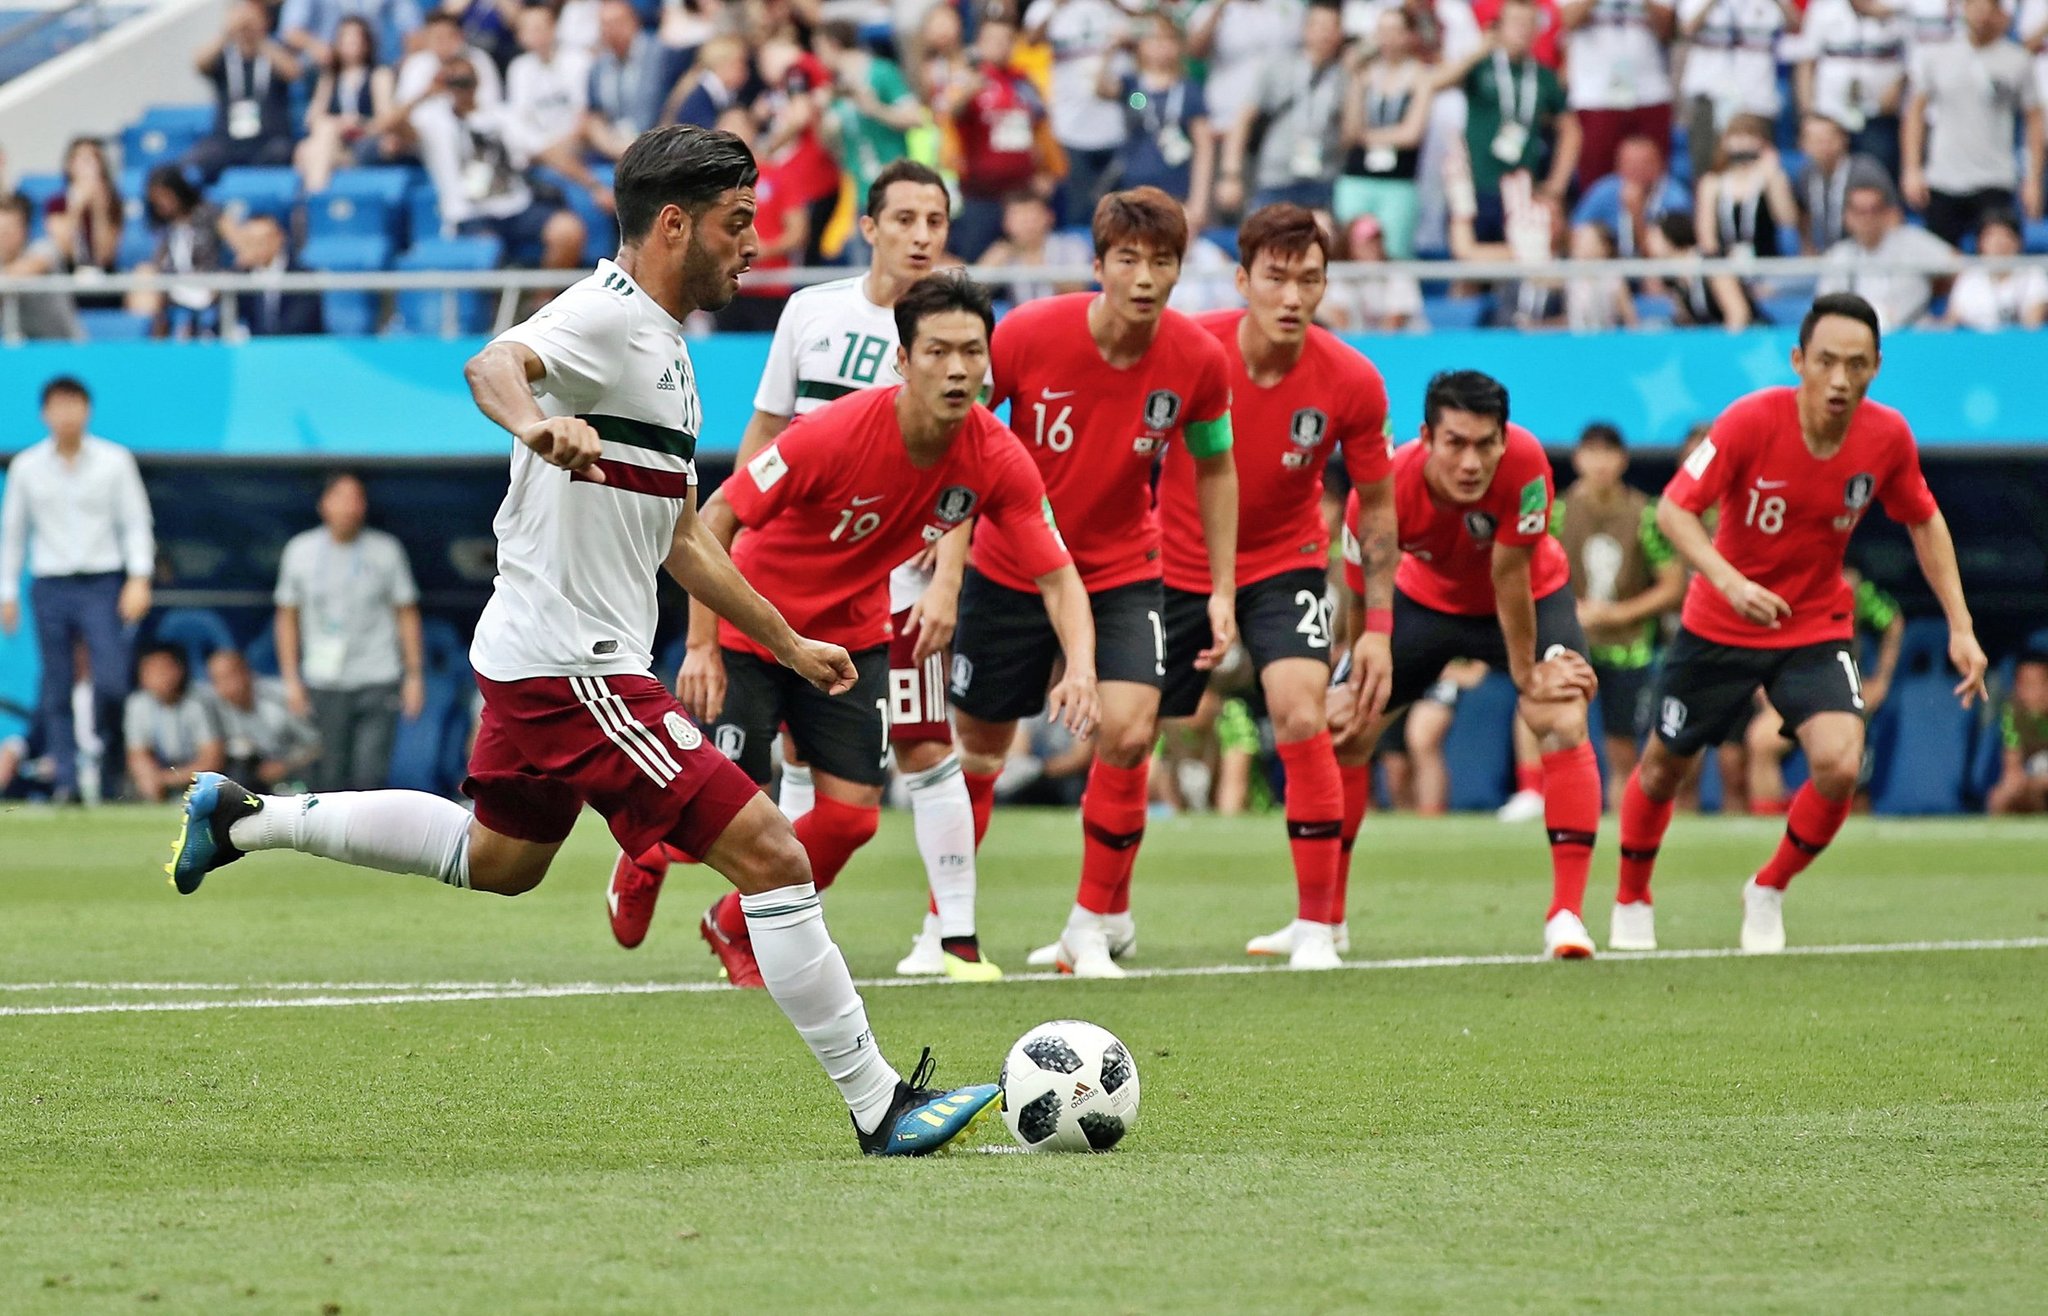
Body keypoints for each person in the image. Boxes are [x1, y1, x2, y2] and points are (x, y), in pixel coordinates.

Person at [165, 124, 1002, 1160]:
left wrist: (786, 643)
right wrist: (531, 424)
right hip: (578, 664)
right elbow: (492, 363)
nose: (751, 243)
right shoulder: (604, 317)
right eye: (737, 223)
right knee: (776, 857)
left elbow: (684, 539)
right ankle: (880, 1105)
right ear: (672, 225)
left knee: (502, 857)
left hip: (540, 652)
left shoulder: (665, 348)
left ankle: (246, 818)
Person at [638, 273, 1100, 985]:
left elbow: (1059, 575)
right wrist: (701, 643)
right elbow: (716, 518)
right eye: (938, 351)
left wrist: (1080, 668)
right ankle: (646, 851)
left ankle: (730, 922)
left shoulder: (997, 454)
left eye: (972, 353)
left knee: (853, 818)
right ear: (902, 361)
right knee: (732, 814)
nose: (956, 369)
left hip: (850, 639)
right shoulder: (833, 432)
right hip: (755, 627)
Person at [608, 161, 974, 974]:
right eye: (905, 219)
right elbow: (764, 438)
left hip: (879, 589)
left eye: (936, 222)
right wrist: (709, 603)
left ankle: (743, 923)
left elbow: (970, 465)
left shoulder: (955, 335)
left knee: (867, 796)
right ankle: (651, 855)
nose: (921, 236)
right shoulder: (815, 312)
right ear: (869, 227)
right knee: (736, 796)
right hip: (773, 572)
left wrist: (946, 575)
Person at [1614, 293, 1988, 954]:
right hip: (1717, 625)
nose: (1840, 380)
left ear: (1876, 366)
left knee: (1840, 764)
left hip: (1813, 626)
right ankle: (1632, 896)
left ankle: (1769, 887)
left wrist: (1960, 623)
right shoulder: (1749, 421)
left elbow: (1924, 519)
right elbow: (1676, 512)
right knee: (1661, 769)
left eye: (1857, 364)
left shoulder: (1887, 437)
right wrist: (1728, 580)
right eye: (1826, 362)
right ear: (1799, 361)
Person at [950, 186, 1239, 979]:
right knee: (979, 749)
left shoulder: (1199, 361)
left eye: (1162, 262)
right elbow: (963, 437)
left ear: (1181, 270)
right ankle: (949, 926)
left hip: (1121, 568)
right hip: (1010, 565)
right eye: (1128, 260)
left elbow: (1214, 468)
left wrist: (1220, 586)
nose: (1145, 277)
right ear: (1099, 263)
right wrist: (944, 561)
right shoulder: (1027, 333)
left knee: (1133, 728)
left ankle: (1090, 924)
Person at [1154, 204, 1396, 970]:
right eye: (1277, 278)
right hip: (1176, 561)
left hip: (1283, 563)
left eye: (1310, 280)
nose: (1293, 297)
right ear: (1243, 280)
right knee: (1129, 729)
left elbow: (1378, 508)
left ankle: (1318, 926)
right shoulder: (1191, 350)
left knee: (1300, 711)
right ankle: (1099, 920)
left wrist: (1379, 627)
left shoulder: (1352, 379)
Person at [1326, 370, 1604, 958]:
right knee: (1345, 723)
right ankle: (1325, 920)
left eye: (1485, 443)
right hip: (1422, 603)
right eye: (1456, 442)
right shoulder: (1381, 489)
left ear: (1505, 439)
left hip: (1530, 596)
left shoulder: (1528, 465)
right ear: (1426, 436)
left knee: (1563, 714)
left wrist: (1529, 674)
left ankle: (1567, 917)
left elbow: (1511, 575)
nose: (1472, 461)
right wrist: (1357, 665)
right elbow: (1359, 587)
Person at [0, 377, 154, 804]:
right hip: (49, 583)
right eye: (58, 406)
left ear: (87, 410)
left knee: (111, 682)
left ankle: (109, 769)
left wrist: (139, 577)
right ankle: (66, 780)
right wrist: (7, 590)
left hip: (102, 582)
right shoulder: (27, 466)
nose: (66, 414)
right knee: (57, 683)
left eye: (74, 405)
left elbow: (136, 521)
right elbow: (13, 533)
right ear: (43, 414)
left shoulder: (114, 460)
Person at [1551, 423, 1684, 799]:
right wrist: (1567, 609)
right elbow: (1530, 574)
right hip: (1570, 646)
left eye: (1609, 453)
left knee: (1622, 748)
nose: (1600, 463)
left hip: (1630, 649)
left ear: (1623, 460)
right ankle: (1544, 804)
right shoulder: (1556, 513)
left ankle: (1623, 831)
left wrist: (1618, 614)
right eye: (1592, 453)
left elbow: (1674, 586)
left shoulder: (1646, 515)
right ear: (1577, 459)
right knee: (1551, 728)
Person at [273, 473, 425, 792]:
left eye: (357, 499)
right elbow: (286, 617)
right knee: (329, 775)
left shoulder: (386, 550)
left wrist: (414, 676)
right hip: (324, 677)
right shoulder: (300, 550)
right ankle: (330, 843)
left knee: (370, 774)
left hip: (378, 674)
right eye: (341, 498)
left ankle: (368, 842)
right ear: (323, 504)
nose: (349, 507)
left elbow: (406, 613)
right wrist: (291, 680)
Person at [1736, 565, 1903, 814]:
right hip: (1793, 684)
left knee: (1844, 765)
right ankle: (1772, 827)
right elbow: (1758, 631)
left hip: (1839, 688)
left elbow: (1893, 622)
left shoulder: (1854, 588)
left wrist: (1881, 680)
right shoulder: (1786, 587)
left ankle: (1848, 832)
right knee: (1761, 740)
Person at [410, 56, 589, 269]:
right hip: (470, 214)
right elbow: (384, 127)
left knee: (568, 231)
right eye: (453, 81)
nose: (461, 88)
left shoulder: (502, 116)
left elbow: (547, 152)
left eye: (466, 80)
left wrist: (593, 185)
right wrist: (424, 93)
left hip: (516, 206)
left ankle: (542, 299)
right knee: (486, 251)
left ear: (477, 82)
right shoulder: (432, 122)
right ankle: (496, 303)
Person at [1901, 0, 2045, 247]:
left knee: (1997, 257)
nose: (1981, 16)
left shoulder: (2017, 60)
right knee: (1939, 264)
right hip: (1944, 178)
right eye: (1975, 7)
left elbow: (2033, 120)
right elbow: (1915, 113)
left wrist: (2033, 179)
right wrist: (1912, 168)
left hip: (1995, 177)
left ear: (1999, 13)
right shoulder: (1938, 55)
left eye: (1987, 9)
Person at [1433, 0, 1578, 244]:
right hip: (1477, 183)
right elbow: (1436, 83)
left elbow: (1571, 129)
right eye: (1515, 23)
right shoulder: (1481, 67)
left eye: (1528, 23)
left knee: (1524, 254)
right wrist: (1479, 50)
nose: (1522, 30)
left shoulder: (1543, 76)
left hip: (1521, 187)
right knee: (1468, 271)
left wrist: (1555, 185)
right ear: (1498, 27)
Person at [938, 13, 1054, 261]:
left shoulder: (1023, 83)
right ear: (979, 43)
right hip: (981, 196)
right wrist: (969, 90)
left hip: (1022, 195)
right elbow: (949, 113)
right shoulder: (968, 80)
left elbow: (1040, 130)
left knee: (1027, 265)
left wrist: (1046, 170)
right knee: (979, 271)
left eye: (1006, 39)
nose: (1000, 45)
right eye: (993, 39)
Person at [1216, 1, 1349, 215]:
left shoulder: (1345, 76)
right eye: (1319, 26)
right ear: (1305, 29)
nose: (1325, 34)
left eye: (1332, 27)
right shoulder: (1278, 67)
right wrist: (1231, 174)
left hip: (1323, 178)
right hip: (1275, 176)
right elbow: (1244, 119)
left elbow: (1349, 132)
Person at [1100, 14, 1214, 230]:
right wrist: (1112, 48)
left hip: (1176, 187)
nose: (1161, 46)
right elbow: (1102, 88)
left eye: (1168, 40)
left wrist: (1198, 203)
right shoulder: (1132, 85)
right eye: (1153, 39)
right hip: (1134, 186)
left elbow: (1204, 146)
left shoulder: (1188, 89)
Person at [1336, 6, 1433, 257]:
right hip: (1357, 176)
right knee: (1348, 251)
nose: (1388, 37)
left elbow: (1411, 135)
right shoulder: (1366, 74)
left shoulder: (1419, 76)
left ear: (1409, 36)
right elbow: (1350, 131)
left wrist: (1367, 137)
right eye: (1383, 30)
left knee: (1394, 252)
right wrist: (1355, 77)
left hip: (1398, 181)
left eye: (1395, 30)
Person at [1024, 0, 1132, 225]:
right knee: (1078, 213)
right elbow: (1031, 40)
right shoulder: (1047, 5)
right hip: (1068, 127)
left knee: (1123, 215)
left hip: (1122, 123)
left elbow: (1153, 29)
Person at [813, 20, 924, 223]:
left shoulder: (882, 72)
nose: (818, 58)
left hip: (895, 187)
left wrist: (875, 109)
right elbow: (829, 146)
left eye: (819, 49)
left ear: (833, 45)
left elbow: (916, 118)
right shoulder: (836, 88)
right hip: (862, 193)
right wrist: (822, 116)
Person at [1676, 0, 1795, 187]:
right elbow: (1686, 28)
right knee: (1706, 169)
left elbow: (1796, 26)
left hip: (1757, 98)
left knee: (1759, 171)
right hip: (1710, 94)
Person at [1560, 0, 1676, 188]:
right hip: (1595, 95)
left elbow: (1668, 30)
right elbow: (1567, 20)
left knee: (1653, 180)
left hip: (1649, 92)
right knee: (1596, 182)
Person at [1788, 0, 1907, 180]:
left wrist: (1899, 86)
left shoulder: (1898, 7)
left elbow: (1914, 57)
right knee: (1823, 178)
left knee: (1877, 179)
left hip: (1878, 115)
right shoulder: (1823, 7)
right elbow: (1806, 62)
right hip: (1830, 114)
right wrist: (1807, 114)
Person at [189, 0, 305, 181]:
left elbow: (293, 72)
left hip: (268, 140)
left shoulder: (273, 53)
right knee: (201, 159)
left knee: (280, 152)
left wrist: (259, 39)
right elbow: (199, 63)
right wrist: (227, 32)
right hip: (228, 140)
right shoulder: (224, 57)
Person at [1817, 181, 1956, 330]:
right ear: (1847, 217)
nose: (1867, 219)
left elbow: (1959, 263)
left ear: (1886, 213)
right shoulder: (1839, 255)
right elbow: (1826, 307)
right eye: (1860, 212)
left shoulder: (1912, 241)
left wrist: (1950, 310)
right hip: (1857, 336)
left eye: (1874, 210)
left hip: (1913, 333)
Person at [501, 4, 601, 202]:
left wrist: (555, 149)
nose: (536, 35)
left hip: (575, 144)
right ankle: (594, 186)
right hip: (538, 152)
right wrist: (543, 149)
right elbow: (519, 120)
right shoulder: (518, 69)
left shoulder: (579, 60)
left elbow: (583, 113)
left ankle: (593, 186)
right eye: (529, 29)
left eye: (540, 27)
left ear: (554, 28)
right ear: (520, 36)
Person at [295, 17, 398, 195]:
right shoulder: (331, 77)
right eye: (345, 39)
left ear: (367, 43)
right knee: (309, 146)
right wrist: (339, 123)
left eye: (355, 39)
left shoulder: (379, 75)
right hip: (334, 144)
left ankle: (311, 200)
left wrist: (358, 123)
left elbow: (385, 120)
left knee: (311, 149)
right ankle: (317, 196)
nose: (350, 45)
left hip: (363, 143)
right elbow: (312, 118)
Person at [131, 165, 228, 339]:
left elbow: (236, 241)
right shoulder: (162, 228)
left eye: (165, 196)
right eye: (155, 198)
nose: (161, 202)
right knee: (144, 274)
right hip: (170, 285)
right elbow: (159, 262)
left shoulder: (209, 214)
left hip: (206, 280)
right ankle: (147, 348)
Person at [205, 648, 321, 791]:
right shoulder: (217, 708)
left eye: (229, 676)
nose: (224, 686)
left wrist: (286, 766)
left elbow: (319, 746)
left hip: (303, 772)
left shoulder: (281, 699)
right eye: (217, 680)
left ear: (247, 673)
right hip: (262, 773)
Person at [1189, 0, 1309, 134]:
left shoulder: (1291, 7)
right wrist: (1218, 8)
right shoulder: (1210, 8)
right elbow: (1195, 52)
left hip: (1280, 116)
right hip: (1228, 114)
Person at [125, 646, 224, 802]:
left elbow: (212, 760)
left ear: (179, 670)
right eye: (150, 671)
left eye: (163, 669)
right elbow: (137, 755)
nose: (158, 676)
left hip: (195, 779)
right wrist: (150, 779)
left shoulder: (197, 704)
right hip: (158, 776)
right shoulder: (138, 704)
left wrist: (166, 779)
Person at [1694, 113, 1797, 262]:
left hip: (1765, 263)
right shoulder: (1712, 182)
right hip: (1725, 264)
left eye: (1750, 135)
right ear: (1725, 140)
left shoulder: (1771, 177)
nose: (1743, 142)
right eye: (1737, 135)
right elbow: (1706, 237)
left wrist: (1773, 174)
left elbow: (1787, 219)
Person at [583, 0, 679, 158]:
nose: (611, 30)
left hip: (658, 144)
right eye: (605, 25)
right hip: (613, 147)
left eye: (616, 22)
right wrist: (612, 146)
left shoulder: (663, 55)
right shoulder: (597, 68)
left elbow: (676, 101)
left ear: (634, 21)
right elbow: (595, 115)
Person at [1570, 134, 1689, 257]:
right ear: (1618, 166)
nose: (1636, 170)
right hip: (1610, 267)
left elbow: (1666, 252)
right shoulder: (1604, 190)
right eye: (1629, 163)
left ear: (1659, 165)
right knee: (1587, 237)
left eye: (1643, 164)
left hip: (1659, 270)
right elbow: (1576, 231)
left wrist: (1636, 214)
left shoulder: (1675, 197)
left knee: (1661, 244)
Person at [1793, 112, 1891, 254]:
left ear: (1844, 139)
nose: (1823, 145)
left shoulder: (1865, 170)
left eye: (1828, 138)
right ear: (1802, 143)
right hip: (1826, 254)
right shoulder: (1806, 174)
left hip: (1865, 253)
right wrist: (1807, 245)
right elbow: (1802, 213)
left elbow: (1892, 215)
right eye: (1816, 140)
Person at [979, 191, 1095, 303]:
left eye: (1032, 215)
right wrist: (992, 263)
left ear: (1049, 217)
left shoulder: (1072, 245)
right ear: (1006, 223)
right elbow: (973, 291)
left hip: (1063, 315)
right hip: (1020, 318)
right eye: (1019, 217)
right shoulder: (1003, 252)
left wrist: (1040, 267)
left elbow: (1079, 289)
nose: (1027, 223)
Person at [1943, 209, 2048, 330]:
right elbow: (1951, 323)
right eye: (1991, 236)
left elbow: (2033, 326)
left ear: (2018, 242)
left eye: (2005, 235)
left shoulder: (2033, 275)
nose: (1998, 243)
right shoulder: (1969, 278)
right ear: (1980, 243)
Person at [0, 191, 83, 342]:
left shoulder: (44, 248)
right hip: (23, 349)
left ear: (25, 230)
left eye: (9, 229)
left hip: (65, 346)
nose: (4, 235)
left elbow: (28, 269)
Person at [223, 214, 324, 337]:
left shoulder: (303, 276)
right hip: (253, 350)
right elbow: (223, 320)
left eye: (261, 240)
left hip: (295, 349)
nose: (256, 247)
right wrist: (236, 270)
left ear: (279, 238)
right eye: (250, 241)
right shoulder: (242, 275)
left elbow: (300, 323)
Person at [42, 137, 123, 278]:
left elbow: (105, 256)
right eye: (83, 160)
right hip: (68, 275)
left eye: (95, 159)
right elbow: (66, 250)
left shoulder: (113, 202)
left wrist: (100, 210)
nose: (89, 166)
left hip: (104, 277)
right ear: (69, 165)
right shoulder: (56, 203)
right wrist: (76, 208)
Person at [1988, 650, 2048, 814]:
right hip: (2032, 786)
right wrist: (2019, 786)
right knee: (1999, 798)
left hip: (2040, 784)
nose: (2031, 692)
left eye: (2037, 683)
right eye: (2024, 684)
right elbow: (2012, 769)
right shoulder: (2012, 714)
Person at [278, 0, 423, 66]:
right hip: (328, 64)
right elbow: (291, 31)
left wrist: (408, 60)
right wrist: (319, 48)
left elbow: (412, 27)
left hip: (375, 62)